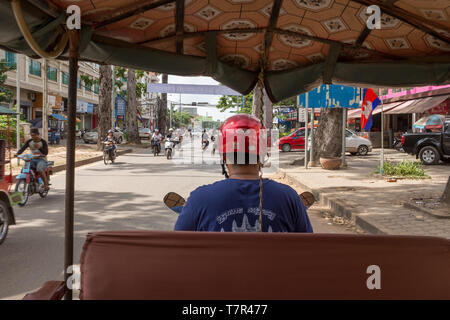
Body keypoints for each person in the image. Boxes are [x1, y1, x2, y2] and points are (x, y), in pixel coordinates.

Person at [175, 114, 313, 233]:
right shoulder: (289, 198)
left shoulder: (199, 199)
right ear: (263, 154)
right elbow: (308, 249)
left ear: (223, 156)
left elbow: (178, 250)